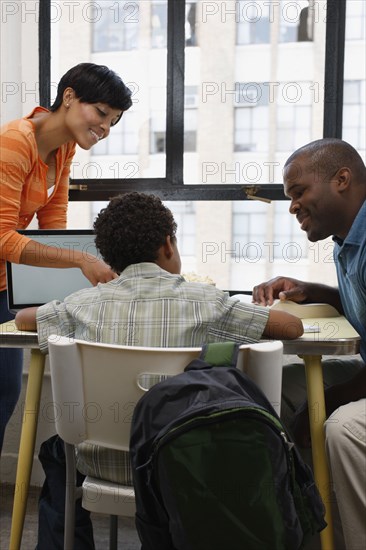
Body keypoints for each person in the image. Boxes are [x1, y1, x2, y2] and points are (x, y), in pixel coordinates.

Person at [15, 191, 303, 549]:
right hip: (184, 461)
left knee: (57, 450)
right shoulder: (208, 302)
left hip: (99, 464)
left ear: (109, 258)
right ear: (168, 244)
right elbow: (291, 328)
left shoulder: (81, 304)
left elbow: (24, 318)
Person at [0, 62, 132, 453]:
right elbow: (3, 238)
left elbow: (53, 224)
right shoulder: (15, 140)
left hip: (3, 285)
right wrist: (79, 262)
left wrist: (85, 271)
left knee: (6, 391)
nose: (105, 129)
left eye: (113, 122)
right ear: (69, 97)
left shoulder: (64, 148)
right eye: (102, 114)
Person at [252, 138, 366, 550]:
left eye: (299, 192)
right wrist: (312, 290)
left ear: (341, 179)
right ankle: (306, 528)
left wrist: (334, 398)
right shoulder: (347, 239)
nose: (293, 205)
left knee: (343, 427)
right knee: (274, 387)